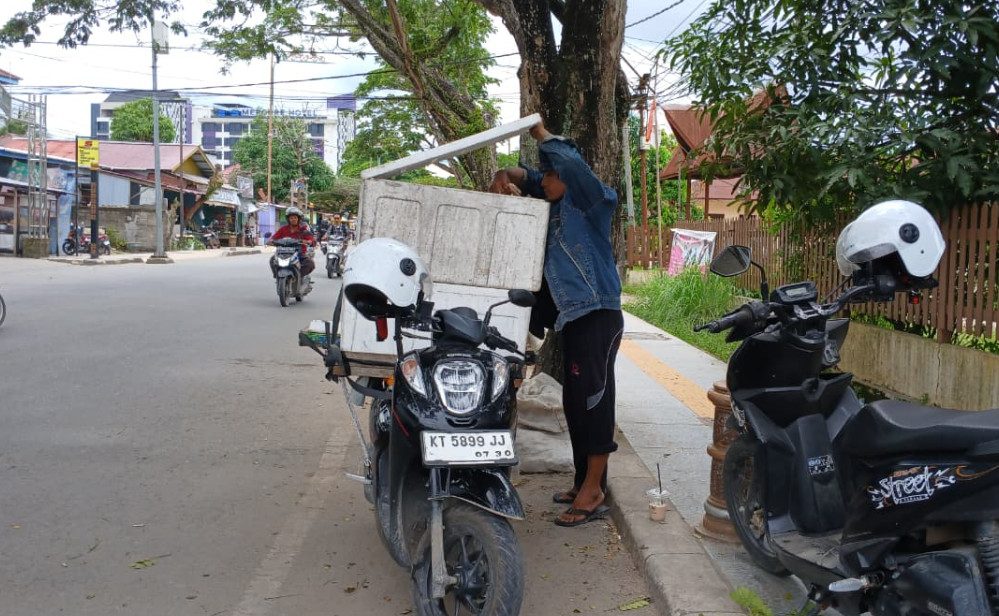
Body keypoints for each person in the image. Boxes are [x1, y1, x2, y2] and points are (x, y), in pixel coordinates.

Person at [489, 122, 623, 528]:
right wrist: (503, 175)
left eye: (550, 175)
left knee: (594, 401)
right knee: (575, 401)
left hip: (597, 314)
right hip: (574, 317)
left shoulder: (589, 201)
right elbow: (525, 178)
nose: (543, 180)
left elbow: (567, 163)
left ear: (566, 177)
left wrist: (540, 133)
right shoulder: (558, 206)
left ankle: (594, 491)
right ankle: (583, 480)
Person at [269, 206, 316, 276]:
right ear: (288, 219)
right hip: (283, 252)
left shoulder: (303, 229)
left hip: (299, 253)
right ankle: (277, 276)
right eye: (291, 218)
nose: (293, 219)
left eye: (295, 218)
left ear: (298, 219)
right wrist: (271, 241)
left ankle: (299, 277)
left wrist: (309, 241)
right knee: (272, 260)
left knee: (310, 264)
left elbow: (311, 239)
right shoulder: (283, 229)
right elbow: (274, 237)